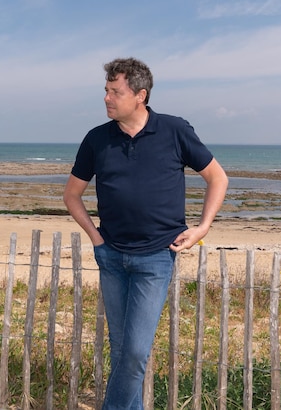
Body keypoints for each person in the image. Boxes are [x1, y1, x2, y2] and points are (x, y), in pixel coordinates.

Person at [63, 57, 228, 409]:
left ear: (140, 95)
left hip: (155, 257)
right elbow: (72, 195)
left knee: (135, 352)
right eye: (106, 91)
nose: (107, 98)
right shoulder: (96, 139)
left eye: (115, 92)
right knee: (123, 350)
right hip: (111, 256)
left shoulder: (174, 130)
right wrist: (96, 239)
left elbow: (218, 177)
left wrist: (202, 227)